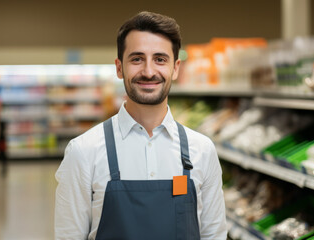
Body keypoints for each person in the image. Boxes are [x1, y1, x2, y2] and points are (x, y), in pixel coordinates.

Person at [54, 11, 227, 240]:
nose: (148, 71)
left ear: (175, 68)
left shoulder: (202, 151)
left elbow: (213, 235)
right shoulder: (83, 151)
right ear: (119, 68)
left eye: (160, 59)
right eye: (137, 59)